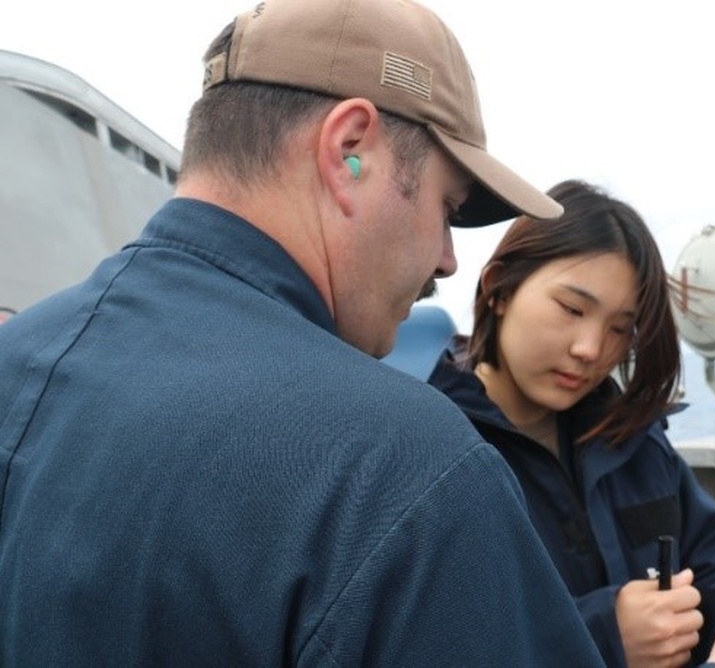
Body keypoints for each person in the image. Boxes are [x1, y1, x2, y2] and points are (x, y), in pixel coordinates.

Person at [0, 1, 604, 664]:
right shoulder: (405, 471)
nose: (446, 258)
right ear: (350, 152)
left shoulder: (18, 359)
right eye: (448, 209)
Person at [428, 179, 715, 667]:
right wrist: (606, 637)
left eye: (619, 328)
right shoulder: (435, 456)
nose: (590, 349)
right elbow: (437, 646)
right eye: (571, 308)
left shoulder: (632, 439)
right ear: (499, 288)